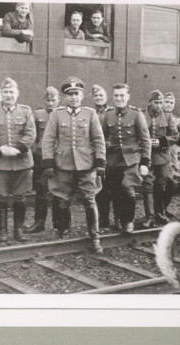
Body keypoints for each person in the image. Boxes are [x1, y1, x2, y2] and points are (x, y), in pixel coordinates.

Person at [41, 76, 106, 252]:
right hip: (63, 164)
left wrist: (100, 161)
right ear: (65, 97)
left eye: (77, 94)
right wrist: (48, 163)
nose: (74, 98)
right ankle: (62, 232)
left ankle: (95, 237)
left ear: (82, 95)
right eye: (70, 95)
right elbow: (48, 139)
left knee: (90, 200)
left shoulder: (90, 114)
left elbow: (99, 139)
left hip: (86, 164)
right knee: (62, 199)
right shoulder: (57, 114)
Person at [0, 77, 36, 242]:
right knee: (0, 197)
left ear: (17, 93)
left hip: (21, 162)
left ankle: (18, 231)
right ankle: (3, 231)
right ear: (1, 93)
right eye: (5, 92)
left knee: (20, 197)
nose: (9, 95)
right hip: (0, 162)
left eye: (11, 92)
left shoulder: (26, 111)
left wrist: (18, 148)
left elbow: (31, 133)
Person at [101, 83, 151, 233]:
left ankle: (128, 221)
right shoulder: (108, 115)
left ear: (128, 97)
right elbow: (102, 137)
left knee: (127, 188)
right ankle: (118, 219)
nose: (119, 98)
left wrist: (145, 162)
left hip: (131, 159)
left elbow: (145, 139)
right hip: (113, 159)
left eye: (122, 95)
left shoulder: (137, 114)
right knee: (115, 190)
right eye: (116, 95)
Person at [139, 90, 180, 228]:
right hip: (147, 156)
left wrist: (162, 141)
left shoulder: (168, 116)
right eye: (156, 102)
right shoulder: (142, 115)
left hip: (162, 157)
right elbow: (135, 134)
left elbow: (175, 135)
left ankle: (160, 213)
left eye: (161, 102)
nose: (159, 105)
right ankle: (149, 216)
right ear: (150, 103)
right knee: (147, 185)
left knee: (161, 185)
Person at [24, 87, 60, 234]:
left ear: (58, 100)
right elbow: (33, 136)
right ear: (43, 100)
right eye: (48, 100)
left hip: (59, 157)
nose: (50, 103)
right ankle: (39, 222)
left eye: (53, 100)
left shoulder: (62, 114)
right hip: (40, 158)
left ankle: (60, 223)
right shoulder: (37, 114)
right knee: (41, 190)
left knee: (60, 191)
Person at [92, 84, 117, 231]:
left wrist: (107, 143)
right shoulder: (90, 113)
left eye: (101, 96)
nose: (99, 98)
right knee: (99, 188)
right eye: (96, 96)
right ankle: (103, 218)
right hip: (97, 155)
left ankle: (118, 218)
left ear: (106, 98)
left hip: (111, 154)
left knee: (112, 187)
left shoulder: (112, 113)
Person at [162, 92, 180, 184]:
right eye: (166, 102)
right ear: (162, 102)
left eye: (171, 102)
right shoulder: (156, 117)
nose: (169, 104)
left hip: (171, 153)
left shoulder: (176, 120)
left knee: (172, 179)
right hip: (159, 152)